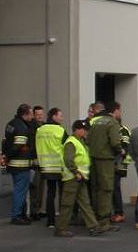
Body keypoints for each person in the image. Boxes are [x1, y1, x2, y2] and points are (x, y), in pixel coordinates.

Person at [54, 120, 107, 237]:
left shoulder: (80, 142)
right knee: (67, 204)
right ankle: (61, 228)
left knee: (85, 203)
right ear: (77, 129)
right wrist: (75, 171)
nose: (85, 132)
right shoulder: (71, 142)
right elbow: (68, 159)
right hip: (73, 177)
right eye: (84, 130)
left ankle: (93, 227)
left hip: (80, 177)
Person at [86, 101, 125, 230]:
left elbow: (88, 140)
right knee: (107, 189)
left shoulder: (96, 121)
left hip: (93, 158)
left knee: (96, 188)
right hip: (106, 159)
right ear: (115, 111)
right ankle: (104, 221)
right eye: (119, 111)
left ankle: (95, 218)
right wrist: (120, 150)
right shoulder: (112, 122)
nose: (120, 113)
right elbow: (114, 142)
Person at [1, 103, 35, 225]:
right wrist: (9, 155)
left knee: (20, 190)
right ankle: (16, 215)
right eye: (31, 114)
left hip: (13, 164)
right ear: (25, 114)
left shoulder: (10, 124)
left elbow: (5, 142)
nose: (32, 117)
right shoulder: (22, 127)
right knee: (20, 191)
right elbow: (17, 146)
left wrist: (6, 156)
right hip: (21, 164)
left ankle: (21, 214)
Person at [35, 107, 66, 228]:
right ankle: (63, 219)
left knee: (50, 193)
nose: (61, 118)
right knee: (62, 194)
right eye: (60, 115)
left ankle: (50, 221)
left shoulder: (40, 130)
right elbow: (67, 146)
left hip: (45, 166)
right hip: (58, 165)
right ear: (54, 116)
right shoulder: (60, 130)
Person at [27, 105, 46, 220]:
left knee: (41, 188)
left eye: (41, 114)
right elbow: (32, 145)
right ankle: (34, 211)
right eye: (37, 115)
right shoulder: (31, 127)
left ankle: (38, 209)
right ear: (34, 115)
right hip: (35, 162)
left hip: (43, 162)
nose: (39, 116)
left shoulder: (44, 126)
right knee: (35, 186)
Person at [112, 119, 132, 224]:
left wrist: (116, 162)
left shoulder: (123, 130)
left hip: (119, 164)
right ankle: (115, 212)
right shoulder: (112, 129)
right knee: (113, 188)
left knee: (115, 188)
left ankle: (119, 212)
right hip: (113, 163)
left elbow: (124, 148)